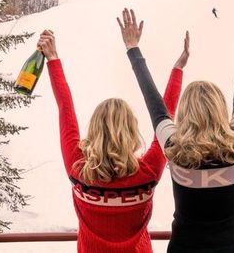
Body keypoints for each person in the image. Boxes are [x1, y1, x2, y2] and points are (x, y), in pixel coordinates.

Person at [119, 0, 234, 253]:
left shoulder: (174, 149)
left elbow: (155, 106)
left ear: (185, 112)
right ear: (219, 109)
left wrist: (133, 48)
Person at [38, 29, 190, 253]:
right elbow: (164, 118)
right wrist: (178, 70)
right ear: (130, 130)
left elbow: (65, 108)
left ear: (95, 129)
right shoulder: (147, 173)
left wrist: (53, 59)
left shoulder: (78, 169)